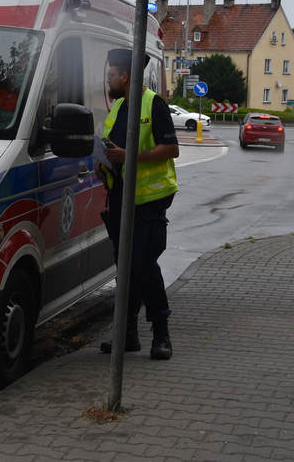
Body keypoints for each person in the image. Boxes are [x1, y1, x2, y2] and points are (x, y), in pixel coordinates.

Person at [98, 48, 179, 360]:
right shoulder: (119, 107)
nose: (108, 81)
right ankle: (127, 335)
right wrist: (103, 162)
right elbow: (113, 149)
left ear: (125, 76)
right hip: (120, 198)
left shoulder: (154, 104)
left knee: (143, 267)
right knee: (125, 268)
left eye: (111, 76)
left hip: (149, 200)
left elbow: (171, 148)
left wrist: (128, 156)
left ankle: (162, 335)